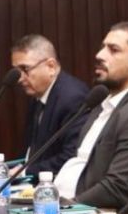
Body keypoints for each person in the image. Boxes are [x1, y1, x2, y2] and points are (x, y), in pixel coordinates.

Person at [54, 22, 128, 214]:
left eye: (113, 50)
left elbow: (117, 188)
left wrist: (60, 209)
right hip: (61, 207)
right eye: (103, 47)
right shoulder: (103, 102)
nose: (99, 55)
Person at [10, 34, 90, 177]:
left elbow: (71, 157)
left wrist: (24, 172)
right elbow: (31, 151)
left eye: (25, 69)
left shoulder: (73, 98)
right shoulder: (38, 95)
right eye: (17, 71)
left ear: (51, 66)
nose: (20, 79)